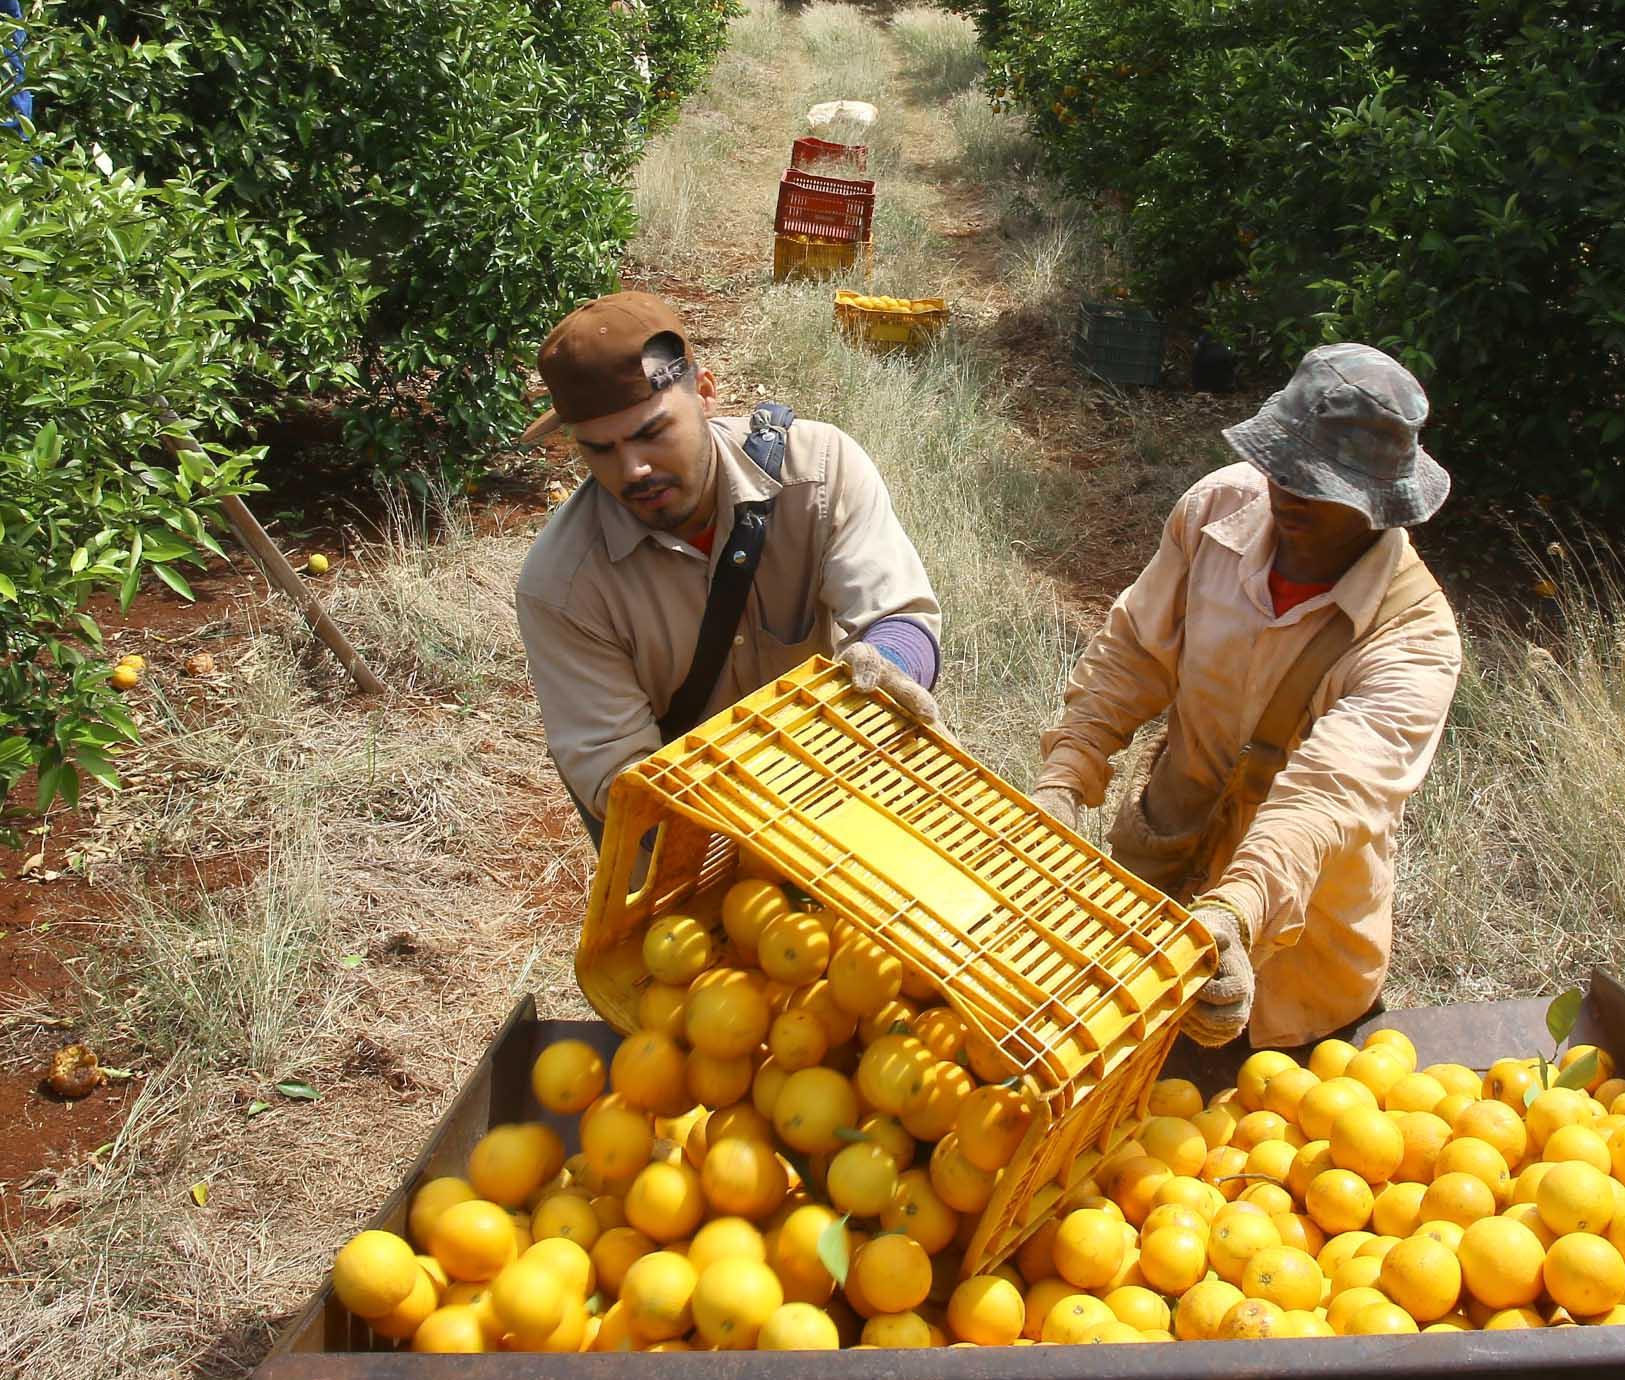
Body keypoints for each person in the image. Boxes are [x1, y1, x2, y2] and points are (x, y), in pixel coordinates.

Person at [1032, 344, 1462, 1048]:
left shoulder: (1412, 640)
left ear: (1378, 502)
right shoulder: (1216, 511)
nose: (1285, 492)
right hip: (1153, 893)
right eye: (1280, 466)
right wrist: (1064, 778)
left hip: (1296, 971)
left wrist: (1236, 912)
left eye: (1315, 483)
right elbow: (1134, 655)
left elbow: (1325, 799)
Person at [515, 292, 943, 843]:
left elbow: (901, 615)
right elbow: (619, 778)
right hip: (691, 840)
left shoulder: (819, 472)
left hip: (844, 791)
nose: (634, 469)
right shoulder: (563, 586)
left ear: (707, 394)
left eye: (651, 432)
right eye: (600, 450)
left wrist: (887, 665)